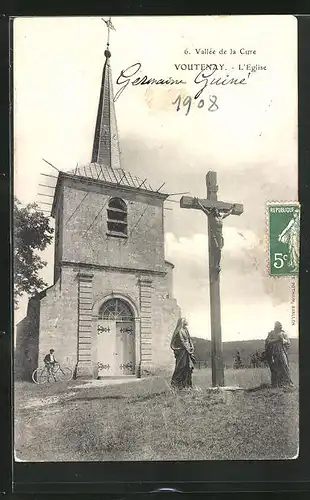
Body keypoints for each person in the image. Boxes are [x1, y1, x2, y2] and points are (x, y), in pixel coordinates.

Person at [194, 198, 236, 273]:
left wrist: (232, 208)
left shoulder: (221, 217)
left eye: (217, 210)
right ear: (213, 211)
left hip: (220, 236)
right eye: (215, 210)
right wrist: (198, 203)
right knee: (216, 249)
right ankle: (215, 265)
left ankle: (217, 265)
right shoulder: (211, 216)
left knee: (219, 250)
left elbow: (228, 213)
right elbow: (203, 209)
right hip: (214, 236)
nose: (217, 211)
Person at [265, 322, 294, 388]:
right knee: (275, 367)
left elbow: (288, 342)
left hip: (282, 352)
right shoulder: (272, 333)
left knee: (285, 366)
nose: (279, 327)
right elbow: (268, 341)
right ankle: (276, 384)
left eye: (280, 326)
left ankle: (288, 383)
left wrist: (283, 340)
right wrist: (277, 340)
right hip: (274, 353)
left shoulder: (283, 333)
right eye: (277, 326)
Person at [170, 317, 196, 390]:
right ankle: (176, 384)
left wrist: (192, 347)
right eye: (185, 320)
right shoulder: (180, 331)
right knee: (182, 366)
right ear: (182, 322)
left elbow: (189, 339)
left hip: (187, 351)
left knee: (188, 367)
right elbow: (182, 341)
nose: (187, 321)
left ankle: (187, 385)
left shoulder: (186, 330)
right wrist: (188, 350)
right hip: (182, 352)